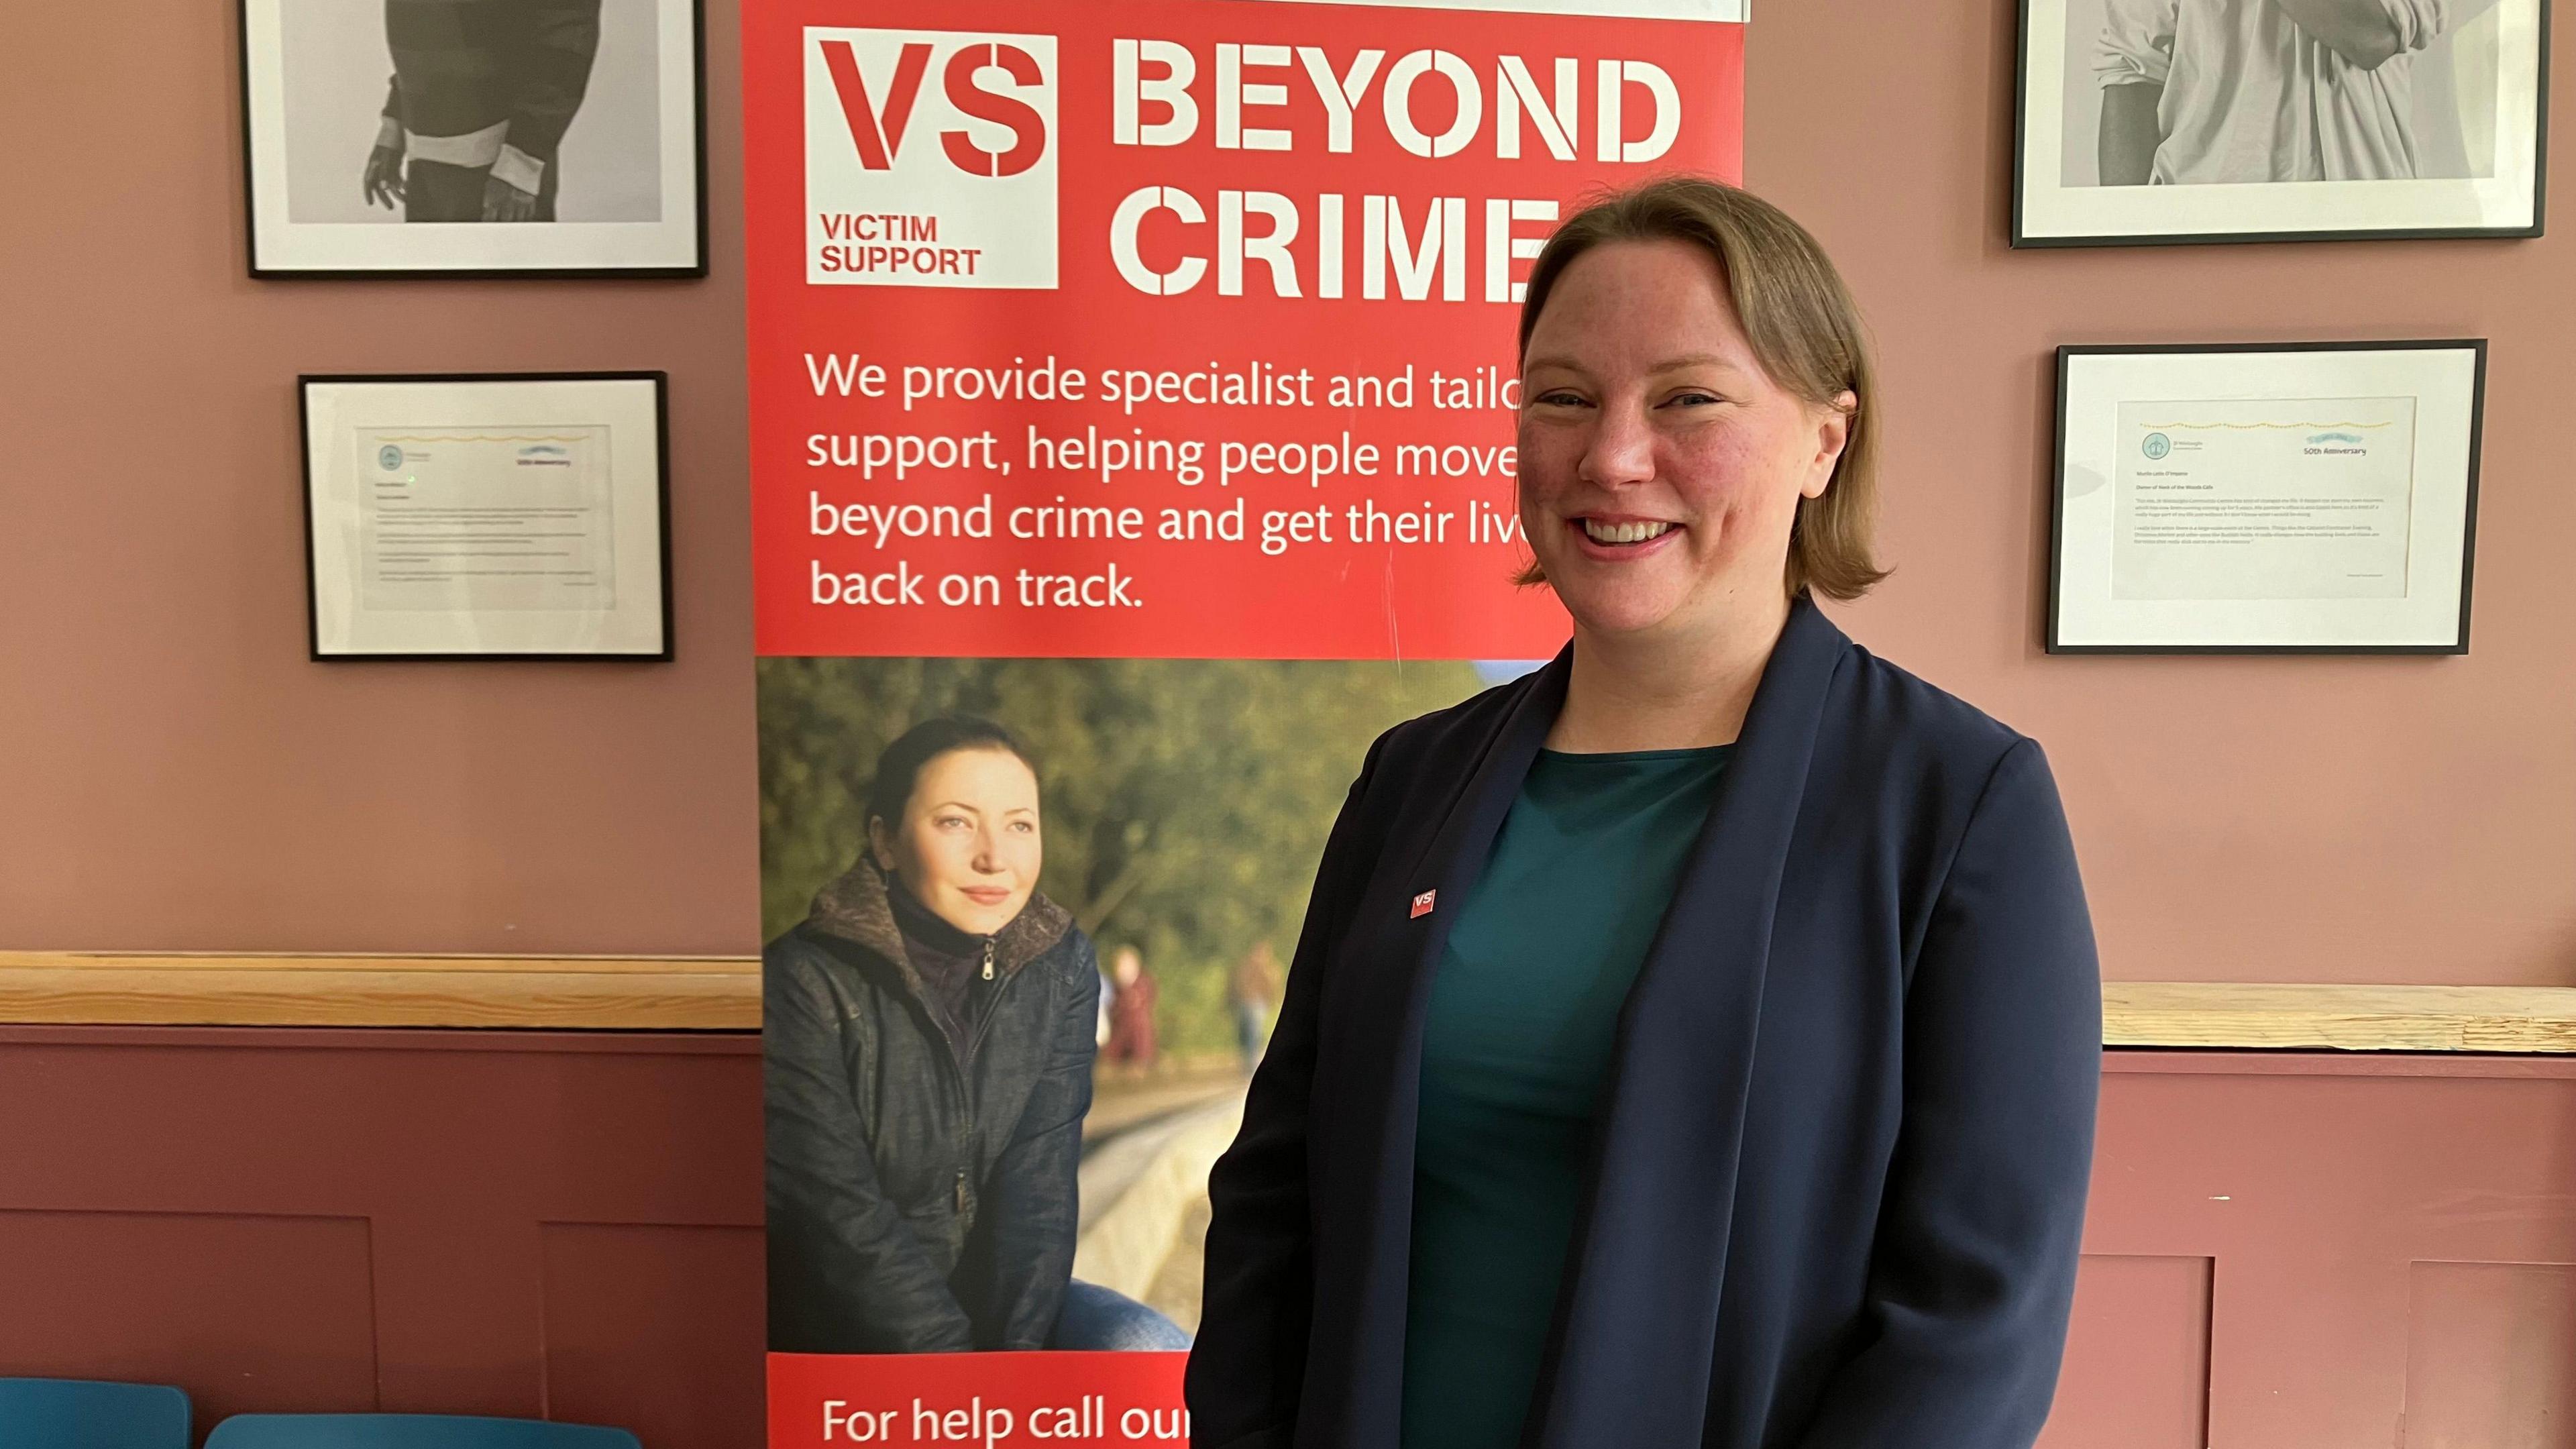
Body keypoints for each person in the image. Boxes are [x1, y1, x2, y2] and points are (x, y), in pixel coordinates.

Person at [1187, 178, 2101, 1449]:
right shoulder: (1410, 780)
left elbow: (1973, 1326)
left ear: (1825, 439)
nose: (1612, 456)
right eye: (1563, 397)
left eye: (1688, 400)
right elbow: (1275, 1201)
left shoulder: (1957, 806)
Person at [765, 716, 1189, 1353]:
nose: (994, 856)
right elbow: (839, 1220)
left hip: (994, 1312)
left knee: (1148, 1348)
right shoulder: (806, 981)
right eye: (956, 822)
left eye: (1020, 824)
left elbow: (1039, 1197)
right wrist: (960, 1387)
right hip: (841, 1323)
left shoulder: (1059, 964)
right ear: (884, 841)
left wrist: (1012, 1376)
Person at [2096, 0, 2483, 184]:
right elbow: (2131, 77)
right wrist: (2125, 246)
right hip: (2204, 216)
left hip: (2366, 211)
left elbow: (2373, 34)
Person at [362, 0, 604, 223]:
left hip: (497, 168)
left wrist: (521, 162)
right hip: (425, 163)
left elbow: (567, 40)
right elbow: (429, 24)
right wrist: (394, 124)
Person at [1102, 946, 1159, 1072]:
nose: (1122, 971)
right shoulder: (1116, 988)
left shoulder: (1143, 984)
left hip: (1138, 1039)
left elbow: (1137, 1007)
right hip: (1119, 1039)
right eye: (1120, 967)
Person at [1230, 942, 1283, 1071]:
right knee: (1244, 1034)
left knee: (1253, 1033)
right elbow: (1238, 984)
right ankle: (1248, 1061)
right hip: (1244, 1004)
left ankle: (1252, 1064)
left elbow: (1273, 986)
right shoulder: (1246, 967)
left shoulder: (1271, 969)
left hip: (1258, 1005)